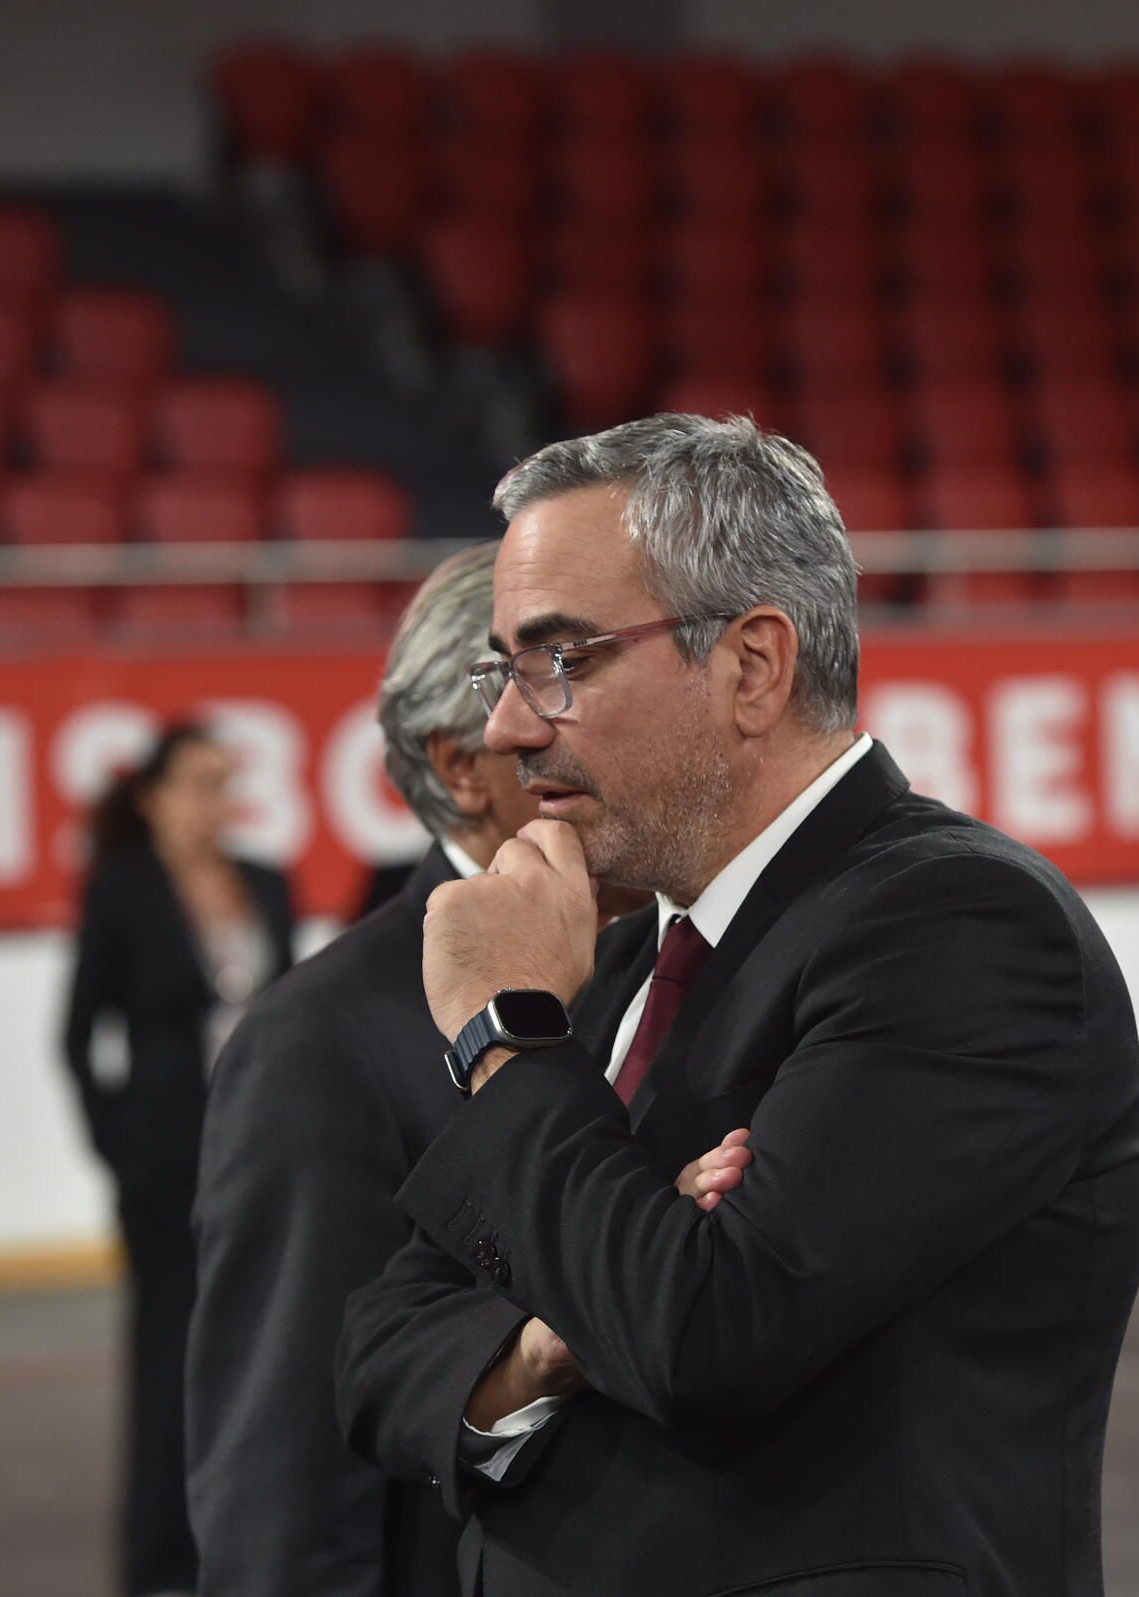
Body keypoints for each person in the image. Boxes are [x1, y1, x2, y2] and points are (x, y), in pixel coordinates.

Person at [336, 415, 1139, 1597]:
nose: (511, 726)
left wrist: (503, 1037)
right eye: (502, 669)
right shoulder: (625, 958)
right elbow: (376, 1353)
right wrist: (553, 1343)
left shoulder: (960, 931)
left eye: (561, 659)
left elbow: (707, 1335)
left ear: (753, 667)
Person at [186, 543, 743, 1597]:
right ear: (461, 765)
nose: (585, 726)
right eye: (546, 687)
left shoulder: (655, 959)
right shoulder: (321, 1041)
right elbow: (287, 1466)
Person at [63, 719, 296, 1597]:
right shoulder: (122, 890)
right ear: (156, 797)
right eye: (198, 782)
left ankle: (230, 1539)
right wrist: (114, 1145)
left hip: (254, 1154)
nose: (215, 800)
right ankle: (154, 1555)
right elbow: (78, 1033)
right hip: (163, 1164)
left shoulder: (266, 881)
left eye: (224, 781)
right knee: (166, 1356)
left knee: (255, 1347)